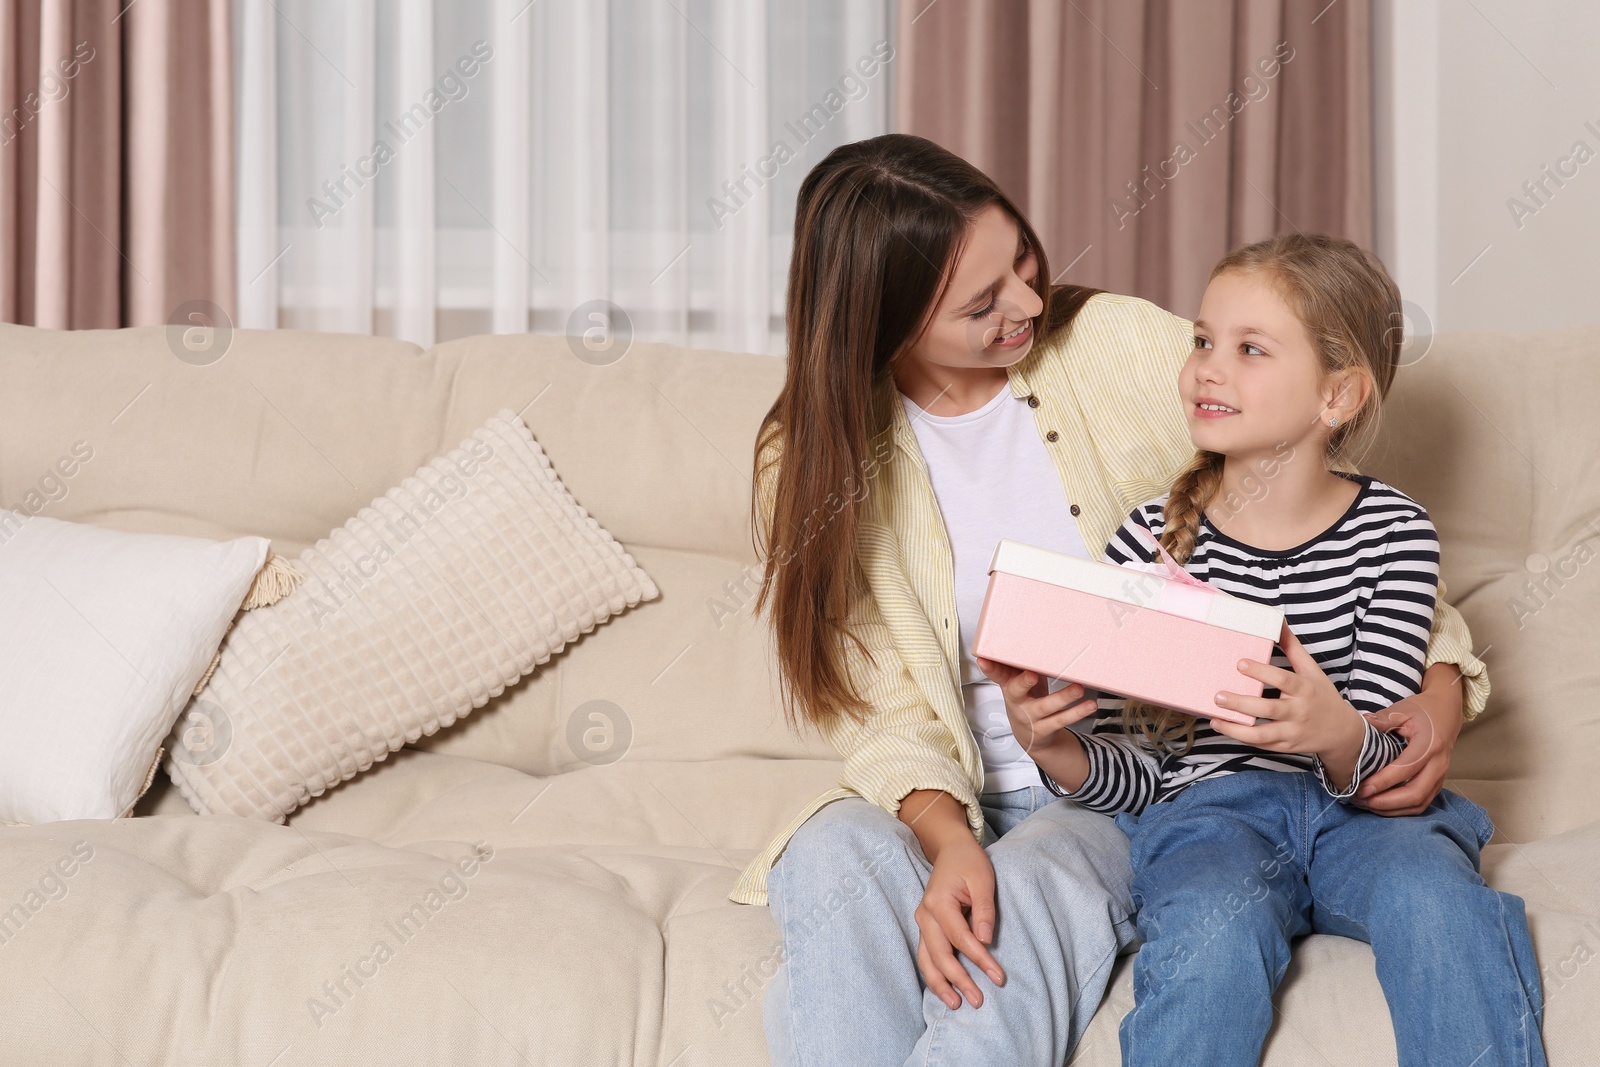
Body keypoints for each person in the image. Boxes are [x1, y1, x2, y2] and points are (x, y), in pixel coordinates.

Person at [730, 133, 1491, 1067]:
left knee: (1031, 891)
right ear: (884, 326)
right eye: (980, 304)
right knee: (827, 857)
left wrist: (1443, 682)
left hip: (1110, 792)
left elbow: (1312, 485)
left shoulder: (1112, 347)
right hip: (963, 792)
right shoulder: (808, 465)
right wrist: (949, 838)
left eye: (1021, 258)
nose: (1026, 303)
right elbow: (882, 711)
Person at [1007, 232, 1546, 1066]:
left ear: (1339, 395)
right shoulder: (1149, 542)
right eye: (1202, 340)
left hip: (1366, 819)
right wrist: (1056, 747)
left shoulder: (1393, 535)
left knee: (1438, 905)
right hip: (1210, 818)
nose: (1206, 368)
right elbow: (1146, 776)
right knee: (1206, 941)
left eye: (1250, 349)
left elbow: (1388, 764)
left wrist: (1331, 728)